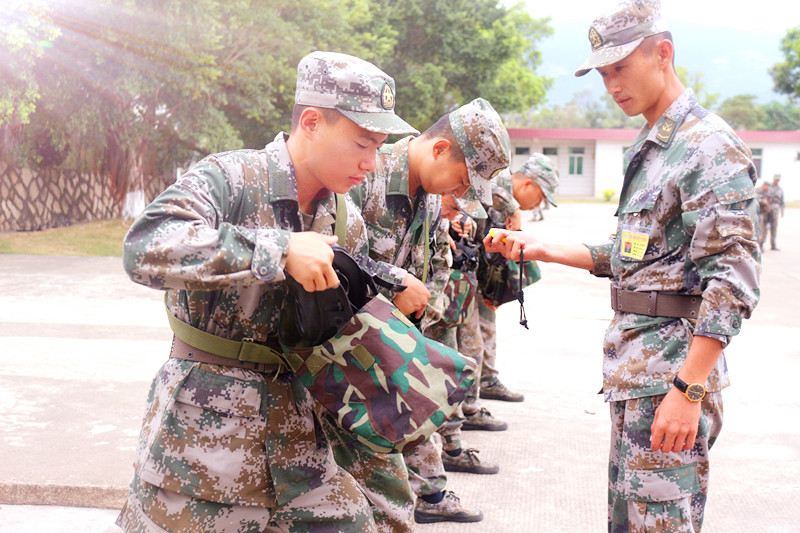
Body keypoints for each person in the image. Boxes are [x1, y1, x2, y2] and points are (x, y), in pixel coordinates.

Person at [116, 51, 418, 533]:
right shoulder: (231, 178)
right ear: (312, 121)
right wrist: (277, 251)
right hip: (201, 448)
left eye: (380, 147)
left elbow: (341, 288)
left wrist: (391, 283)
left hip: (301, 448)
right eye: (363, 142)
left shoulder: (346, 216)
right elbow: (145, 248)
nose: (371, 162)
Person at [486, 1, 760, 531]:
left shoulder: (707, 146)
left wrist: (690, 390)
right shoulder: (653, 146)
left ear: (663, 54)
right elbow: (632, 254)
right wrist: (540, 247)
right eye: (604, 73)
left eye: (621, 67)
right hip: (638, 375)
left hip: (672, 378)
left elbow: (732, 277)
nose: (611, 84)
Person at [340, 97, 510, 525]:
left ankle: (430, 495)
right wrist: (391, 291)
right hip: (346, 348)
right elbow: (332, 255)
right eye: (464, 180)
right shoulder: (365, 174)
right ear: (439, 150)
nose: (463, 194)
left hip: (397, 339)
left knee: (409, 429)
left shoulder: (433, 196)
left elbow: (438, 260)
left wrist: (420, 308)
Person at [477, 154, 559, 403]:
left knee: (484, 327)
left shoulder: (504, 206)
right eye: (541, 198)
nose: (538, 206)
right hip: (460, 273)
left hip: (478, 278)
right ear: (527, 184)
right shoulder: (497, 182)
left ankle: (486, 380)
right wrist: (513, 210)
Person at [765, 174, 785, 250]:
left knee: (774, 228)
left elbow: (782, 202)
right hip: (768, 209)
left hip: (776, 210)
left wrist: (782, 212)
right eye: (776, 179)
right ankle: (761, 244)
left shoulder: (780, 189)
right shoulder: (768, 187)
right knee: (764, 227)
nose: (777, 181)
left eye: (778, 180)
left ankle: (773, 245)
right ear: (773, 179)